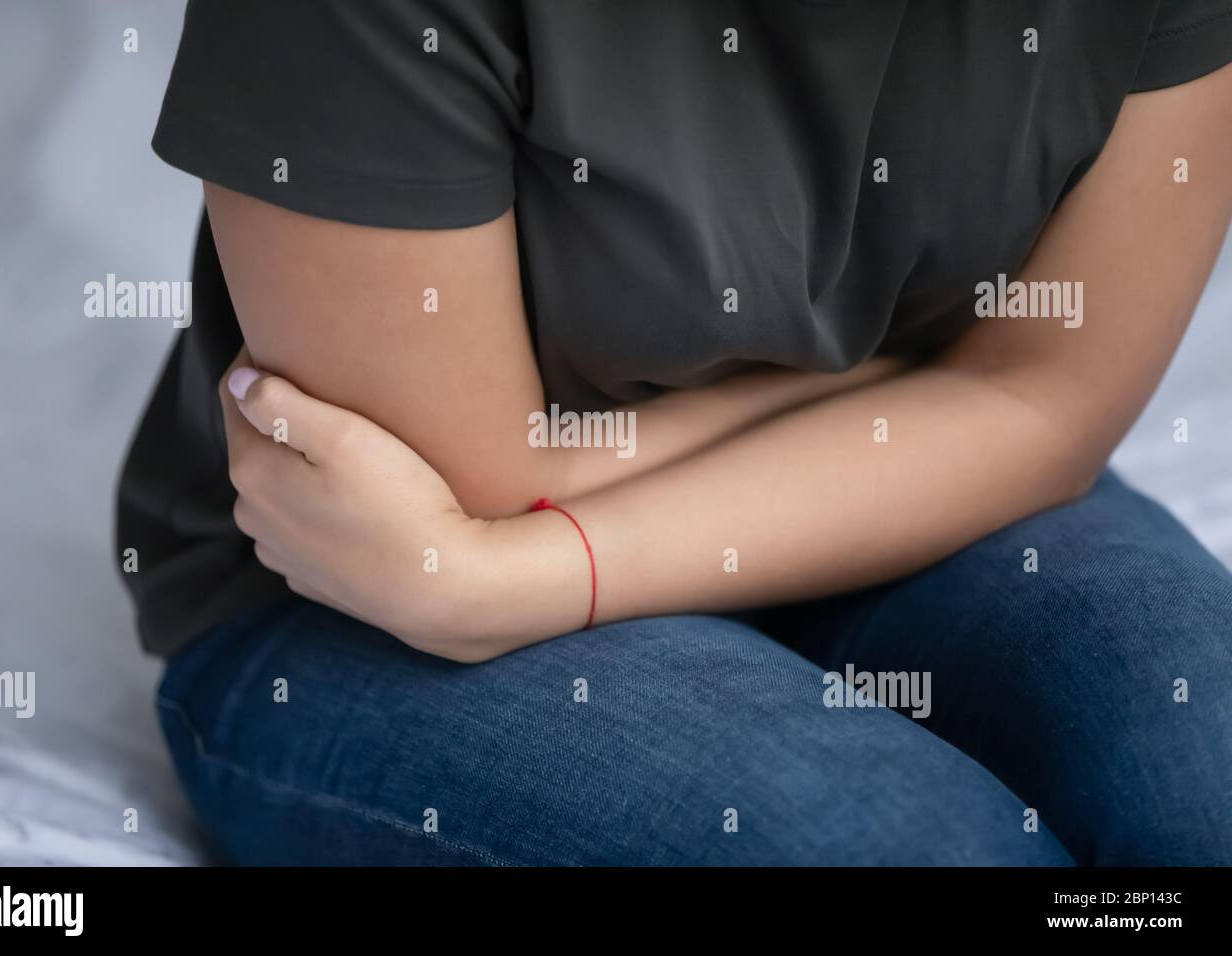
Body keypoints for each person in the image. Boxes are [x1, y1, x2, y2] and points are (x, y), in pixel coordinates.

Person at [119, 0, 1232, 865]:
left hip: (901, 497)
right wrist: (947, 392)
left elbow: (1050, 402)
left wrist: (486, 581)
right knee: (916, 846)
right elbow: (479, 489)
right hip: (348, 596)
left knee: (1210, 780)